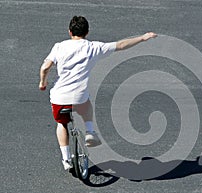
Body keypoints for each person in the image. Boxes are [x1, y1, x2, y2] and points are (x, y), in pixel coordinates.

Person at [39, 16, 157, 170]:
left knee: (61, 124)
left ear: (69, 32)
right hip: (79, 97)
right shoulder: (94, 47)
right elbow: (121, 45)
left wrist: (43, 82)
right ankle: (89, 131)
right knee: (86, 104)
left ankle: (66, 160)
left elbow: (45, 67)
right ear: (87, 32)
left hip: (59, 97)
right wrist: (142, 38)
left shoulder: (59, 47)